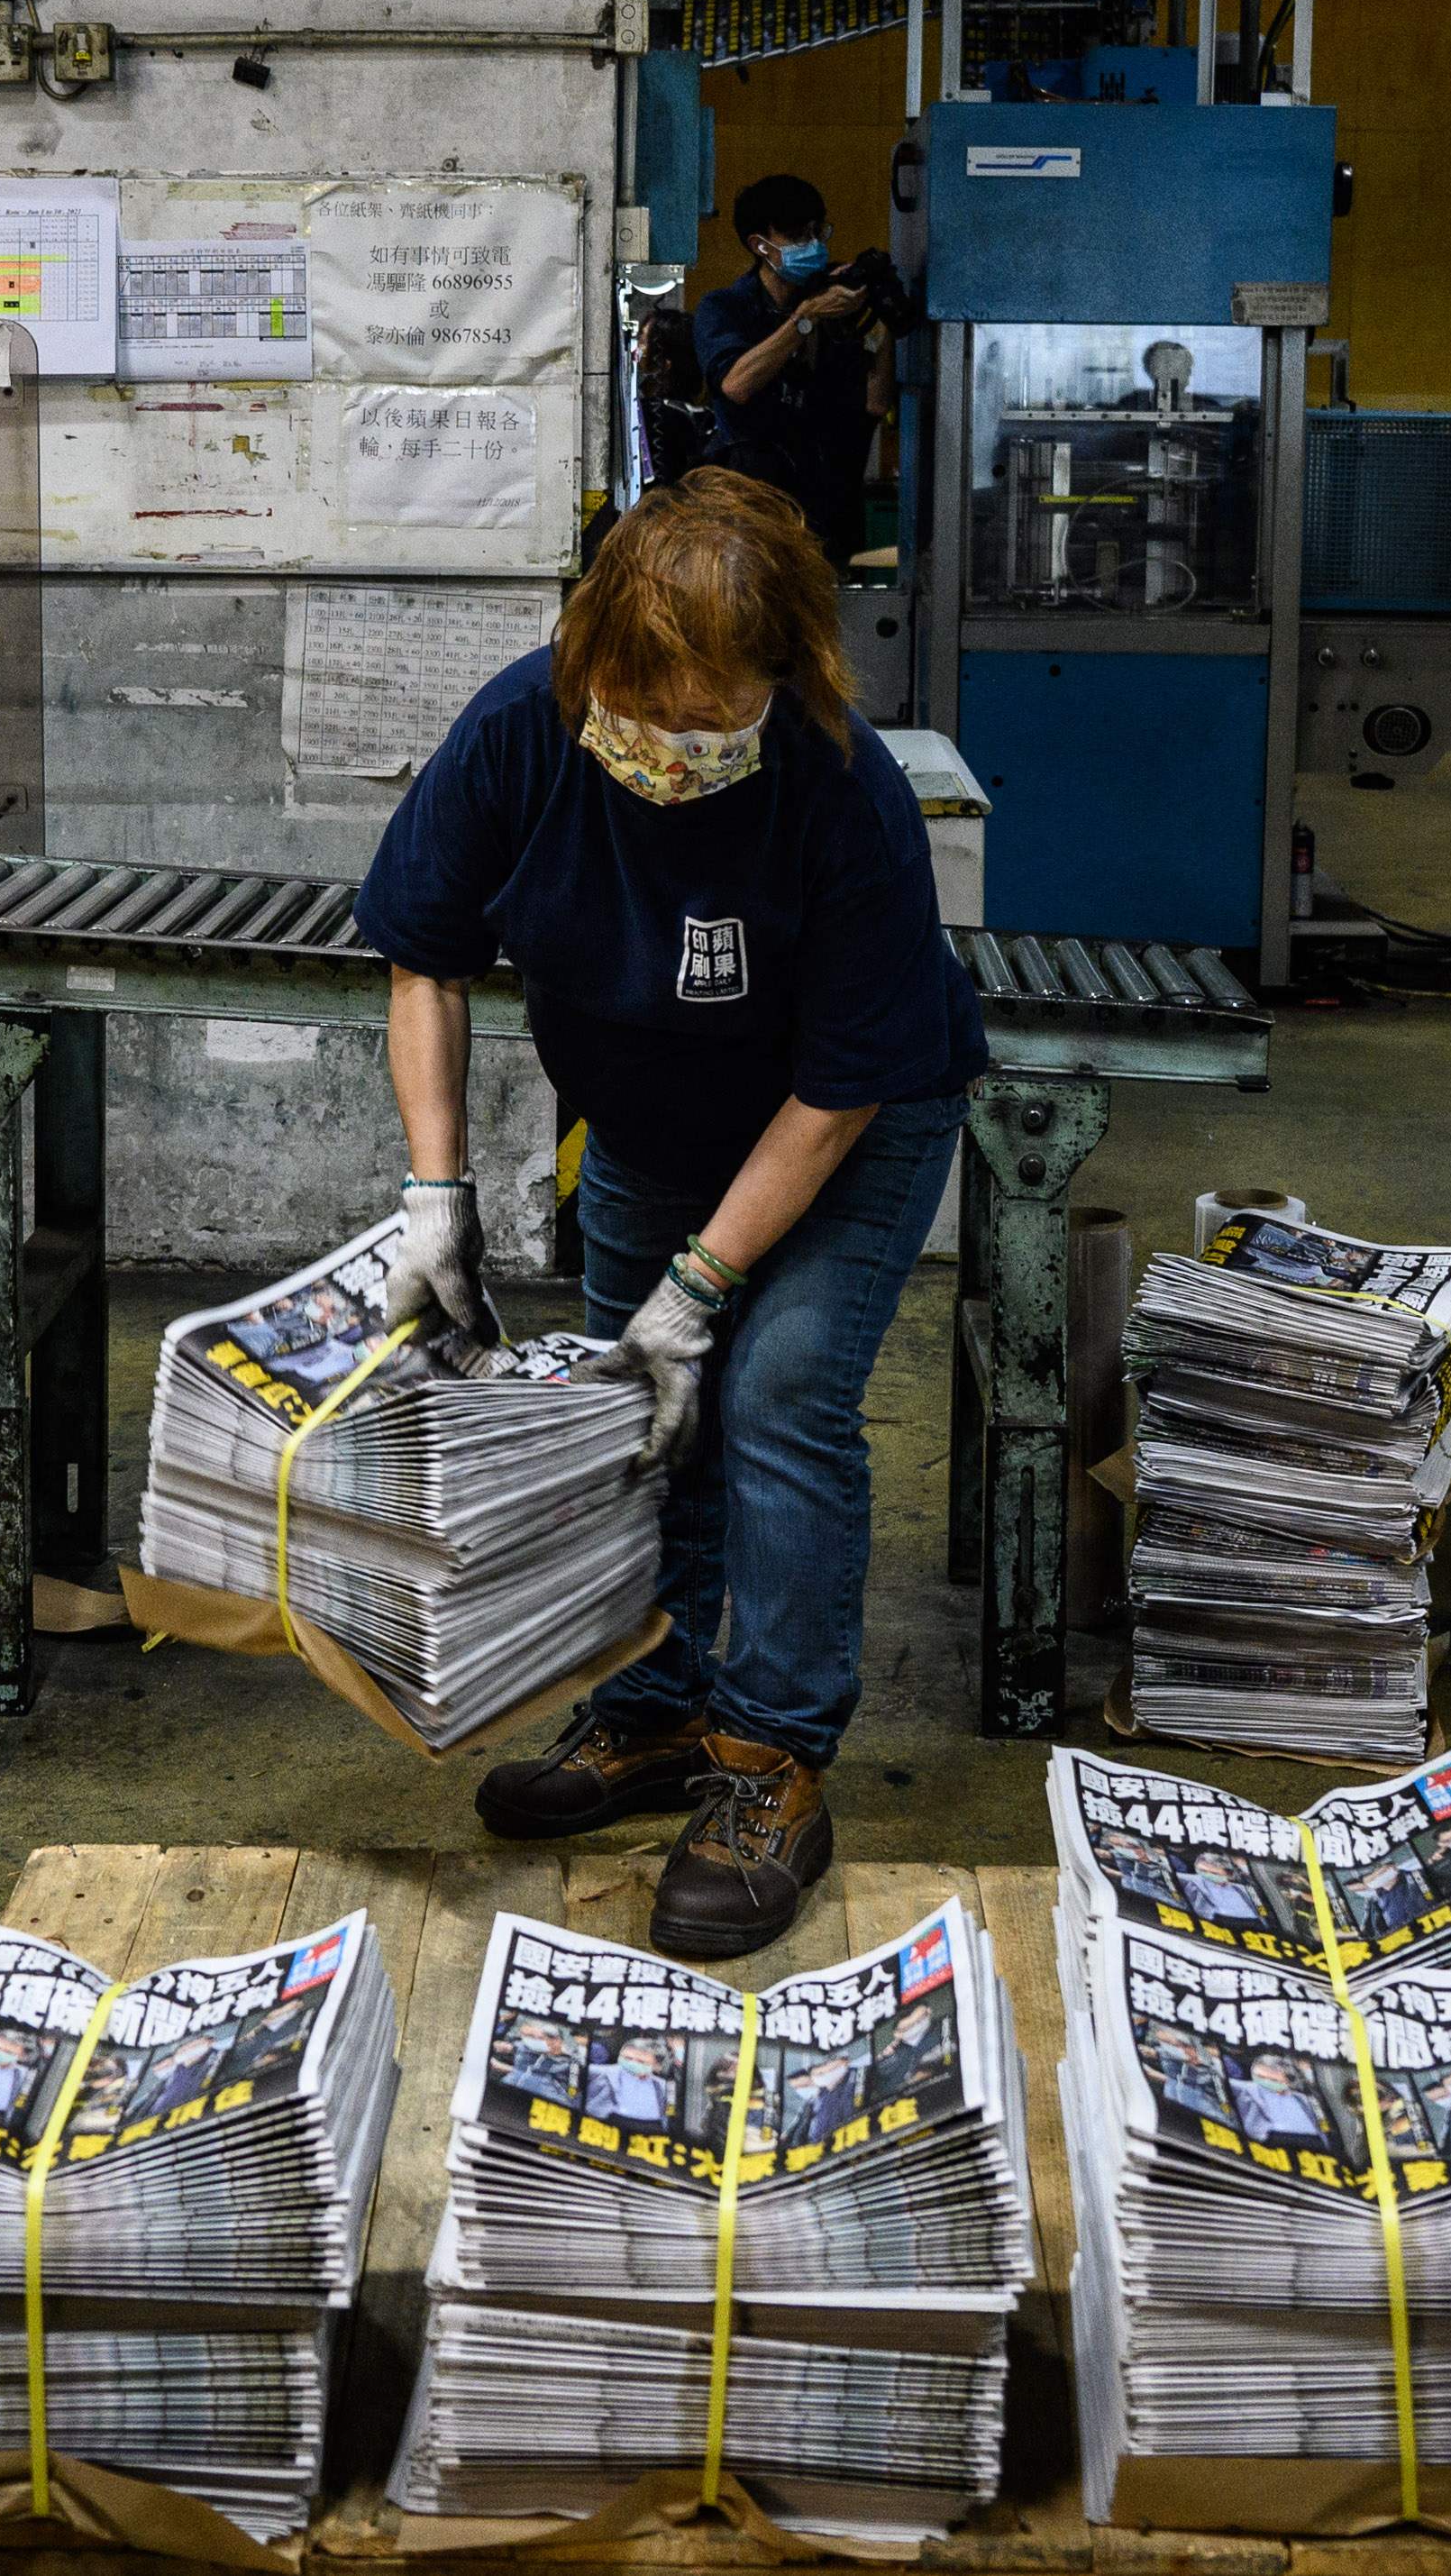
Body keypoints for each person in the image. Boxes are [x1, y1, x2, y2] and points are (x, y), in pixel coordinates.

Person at [359, 470, 985, 1955]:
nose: (674, 754)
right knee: (639, 1411)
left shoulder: (841, 791)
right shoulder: (521, 728)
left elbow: (834, 1098)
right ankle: (653, 1706)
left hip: (842, 1123)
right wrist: (434, 1198)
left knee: (766, 1390)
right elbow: (423, 963)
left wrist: (697, 1288)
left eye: (714, 728)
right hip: (645, 1118)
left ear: (787, 677)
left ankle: (770, 1763)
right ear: (594, 660)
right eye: (648, 716)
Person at [680, 173, 890, 566]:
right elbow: (737, 384)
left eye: (817, 232)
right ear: (760, 245)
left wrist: (878, 328)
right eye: (796, 236)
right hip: (750, 509)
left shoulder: (836, 304)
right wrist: (804, 320)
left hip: (826, 501)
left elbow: (875, 404)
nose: (812, 245)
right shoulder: (725, 308)